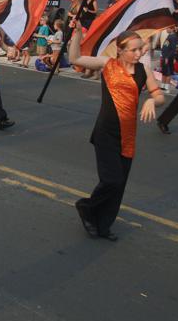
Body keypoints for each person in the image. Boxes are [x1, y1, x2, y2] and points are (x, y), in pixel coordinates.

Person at [68, 24, 165, 240]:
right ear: (120, 50)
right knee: (111, 180)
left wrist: (152, 100)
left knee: (119, 185)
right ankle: (87, 207)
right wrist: (77, 34)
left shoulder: (143, 70)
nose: (140, 53)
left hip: (128, 135)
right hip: (106, 133)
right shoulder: (107, 64)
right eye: (135, 50)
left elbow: (159, 96)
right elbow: (75, 58)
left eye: (141, 48)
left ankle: (103, 225)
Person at [160, 26, 178, 91]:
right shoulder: (170, 36)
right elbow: (166, 46)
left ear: (172, 29)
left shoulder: (173, 37)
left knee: (168, 73)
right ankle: (162, 86)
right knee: (164, 72)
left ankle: (166, 87)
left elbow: (173, 49)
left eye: (168, 28)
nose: (166, 29)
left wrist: (167, 57)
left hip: (168, 57)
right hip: (164, 56)